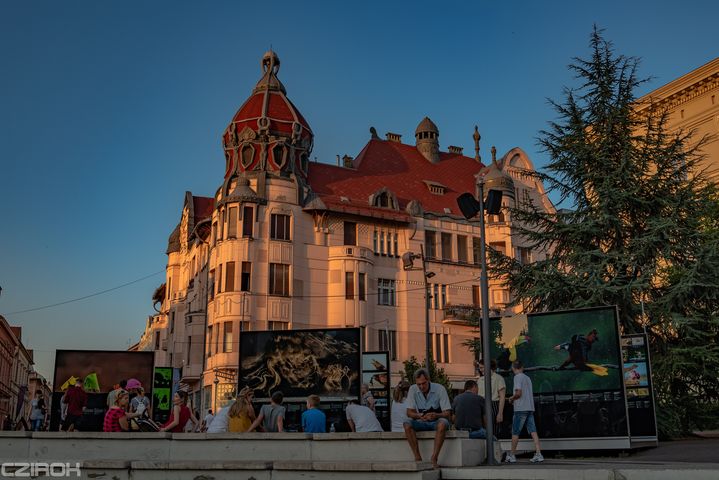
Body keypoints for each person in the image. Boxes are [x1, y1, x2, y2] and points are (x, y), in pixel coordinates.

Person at [403, 368, 452, 468]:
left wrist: (436, 415)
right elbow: (409, 412)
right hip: (421, 420)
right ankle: (418, 458)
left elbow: (447, 413)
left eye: (424, 383)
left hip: (436, 421)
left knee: (442, 423)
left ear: (428, 380)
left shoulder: (440, 389)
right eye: (419, 384)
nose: (421, 386)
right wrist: (419, 416)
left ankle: (434, 458)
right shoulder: (413, 389)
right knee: (407, 423)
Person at [507, 361, 543, 464]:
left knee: (515, 431)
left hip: (520, 408)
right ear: (522, 367)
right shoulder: (527, 378)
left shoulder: (517, 377)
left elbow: (518, 393)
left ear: (513, 368)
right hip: (530, 407)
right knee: (533, 431)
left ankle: (512, 455)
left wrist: (511, 398)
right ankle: (538, 454)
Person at [477, 359, 506, 436]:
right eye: (479, 368)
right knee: (482, 431)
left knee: (493, 431)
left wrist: (500, 413)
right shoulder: (480, 380)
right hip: (481, 405)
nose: (480, 370)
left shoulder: (499, 378)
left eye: (482, 367)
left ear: (488, 366)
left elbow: (502, 397)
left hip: (493, 405)